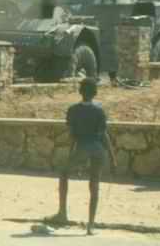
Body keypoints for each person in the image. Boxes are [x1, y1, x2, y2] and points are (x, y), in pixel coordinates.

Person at [46, 77, 116, 235]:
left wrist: (73, 155)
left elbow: (72, 136)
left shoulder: (73, 110)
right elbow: (104, 135)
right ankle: (91, 225)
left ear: (80, 92)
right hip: (98, 149)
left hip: (82, 148)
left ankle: (62, 213)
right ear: (95, 93)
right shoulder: (99, 110)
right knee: (94, 184)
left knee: (64, 174)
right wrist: (113, 158)